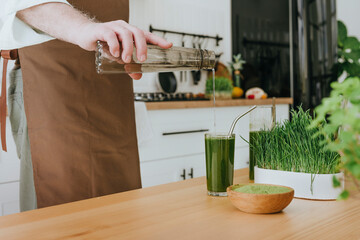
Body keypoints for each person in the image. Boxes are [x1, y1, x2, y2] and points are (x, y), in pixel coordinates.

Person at [0, 0, 172, 211]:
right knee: (61, 216)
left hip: (111, 91)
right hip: (53, 89)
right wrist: (84, 28)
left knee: (120, 210)